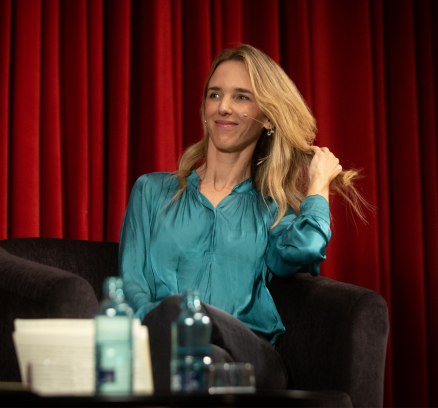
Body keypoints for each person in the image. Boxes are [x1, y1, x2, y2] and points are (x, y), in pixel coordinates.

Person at [118, 44, 365, 391]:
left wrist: (318, 186)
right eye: (214, 94)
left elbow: (305, 250)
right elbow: (133, 283)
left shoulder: (272, 209)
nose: (224, 107)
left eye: (241, 97)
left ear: (266, 117)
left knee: (185, 318)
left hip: (250, 358)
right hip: (175, 355)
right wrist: (162, 329)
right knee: (195, 350)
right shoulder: (151, 191)